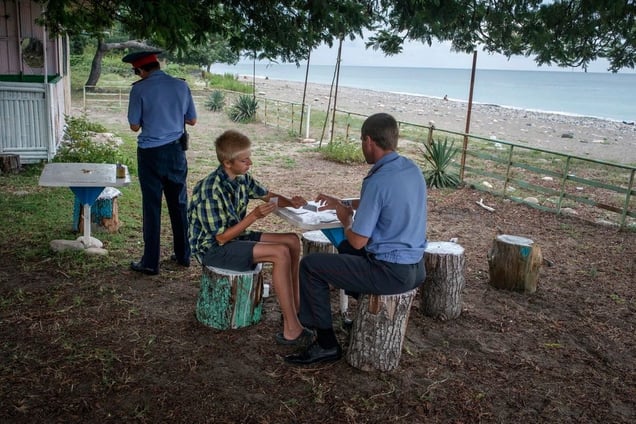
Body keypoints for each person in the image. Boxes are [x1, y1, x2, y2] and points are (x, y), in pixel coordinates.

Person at [285, 112, 428, 365]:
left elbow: (358, 241)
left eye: (362, 142)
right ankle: (355, 312)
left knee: (311, 266)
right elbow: (383, 202)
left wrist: (345, 219)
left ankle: (326, 344)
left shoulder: (377, 179)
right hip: (416, 268)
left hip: (390, 272)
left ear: (369, 141)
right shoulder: (410, 169)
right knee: (344, 252)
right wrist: (342, 203)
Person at [188, 129, 313, 345]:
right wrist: (254, 216)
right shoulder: (210, 189)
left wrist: (291, 202)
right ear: (227, 163)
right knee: (280, 253)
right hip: (212, 249)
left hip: (235, 237)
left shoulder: (242, 179)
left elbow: (268, 195)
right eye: (244, 160)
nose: (250, 162)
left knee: (292, 240)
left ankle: (295, 307)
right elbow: (221, 238)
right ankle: (292, 329)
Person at [123, 50, 197, 276]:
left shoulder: (139, 89)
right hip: (175, 152)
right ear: (158, 65)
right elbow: (192, 120)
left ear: (140, 70)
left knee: (152, 207)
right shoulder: (181, 86)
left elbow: (134, 126)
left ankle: (150, 262)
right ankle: (184, 255)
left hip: (150, 155)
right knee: (179, 203)